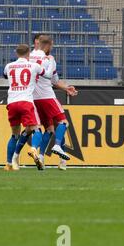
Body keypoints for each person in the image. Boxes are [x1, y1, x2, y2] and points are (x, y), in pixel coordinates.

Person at [12, 35, 78, 171]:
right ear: (49, 45)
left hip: (30, 99)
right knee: (63, 123)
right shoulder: (49, 59)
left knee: (43, 129)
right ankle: (57, 146)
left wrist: (66, 87)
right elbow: (53, 79)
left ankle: (26, 156)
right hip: (47, 96)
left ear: (37, 43)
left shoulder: (27, 58)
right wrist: (66, 87)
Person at [4, 44, 54, 171]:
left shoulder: (8, 66)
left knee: (14, 135)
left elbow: (5, 75)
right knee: (37, 129)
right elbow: (48, 75)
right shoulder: (34, 66)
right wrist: (51, 61)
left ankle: (9, 163)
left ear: (16, 54)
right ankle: (33, 148)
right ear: (28, 54)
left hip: (12, 102)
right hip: (26, 101)